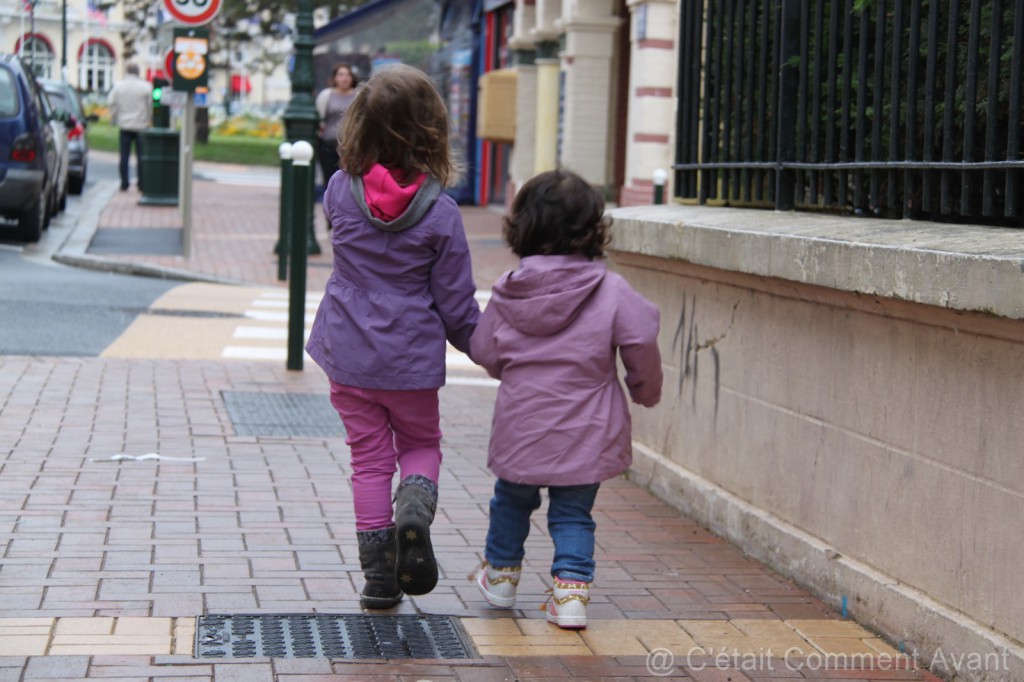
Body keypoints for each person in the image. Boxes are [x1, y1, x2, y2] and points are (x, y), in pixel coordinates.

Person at [305, 64, 480, 610]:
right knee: (421, 445)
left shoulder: (339, 191)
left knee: (368, 460)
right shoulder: (441, 214)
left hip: (349, 356)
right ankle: (415, 506)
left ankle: (378, 577)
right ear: (430, 130)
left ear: (356, 125)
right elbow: (456, 306)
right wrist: (488, 349)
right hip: (409, 361)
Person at [470, 169, 663, 630]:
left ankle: (500, 577)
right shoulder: (611, 290)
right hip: (588, 428)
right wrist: (644, 390)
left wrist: (512, 369)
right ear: (593, 229)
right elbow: (640, 340)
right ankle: (571, 592)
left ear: (523, 228)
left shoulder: (510, 287)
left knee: (511, 500)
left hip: (522, 423)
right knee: (574, 511)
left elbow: (484, 349)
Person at [106, 64, 152, 191]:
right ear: (138, 72)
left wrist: (115, 117)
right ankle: (141, 183)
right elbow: (150, 106)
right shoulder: (146, 87)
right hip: (140, 125)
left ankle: (124, 183)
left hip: (124, 125)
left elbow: (111, 103)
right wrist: (148, 119)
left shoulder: (119, 86)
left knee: (124, 156)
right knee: (141, 157)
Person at [315, 63, 359, 192]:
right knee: (329, 177)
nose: (344, 78)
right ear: (334, 78)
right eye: (341, 75)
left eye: (347, 75)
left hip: (351, 145)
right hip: (328, 143)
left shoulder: (358, 95)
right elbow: (319, 117)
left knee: (348, 179)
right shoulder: (326, 95)